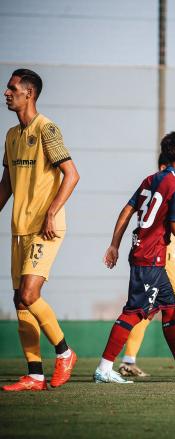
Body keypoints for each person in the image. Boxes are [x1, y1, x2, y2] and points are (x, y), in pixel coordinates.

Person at [94, 131, 175, 383]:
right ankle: (104, 369)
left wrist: (114, 245)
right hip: (149, 257)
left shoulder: (151, 179)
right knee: (134, 313)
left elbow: (128, 210)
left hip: (151, 257)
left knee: (171, 311)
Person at [1, 69, 80, 392]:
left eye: (12, 89)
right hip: (20, 228)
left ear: (28, 94)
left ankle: (65, 352)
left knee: (30, 294)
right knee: (21, 301)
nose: (6, 93)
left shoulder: (47, 129)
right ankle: (34, 373)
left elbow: (71, 175)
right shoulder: (10, 135)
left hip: (45, 228)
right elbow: (6, 183)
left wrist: (51, 213)